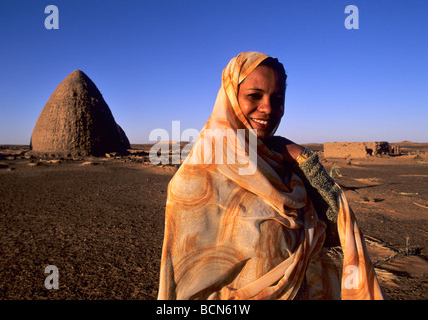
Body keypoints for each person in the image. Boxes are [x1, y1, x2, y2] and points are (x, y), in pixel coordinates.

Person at [158, 51, 384, 300]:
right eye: (254, 96)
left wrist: (303, 159)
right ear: (231, 98)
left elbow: (333, 231)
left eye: (277, 99)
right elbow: (184, 284)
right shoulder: (196, 179)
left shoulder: (281, 166)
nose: (268, 109)